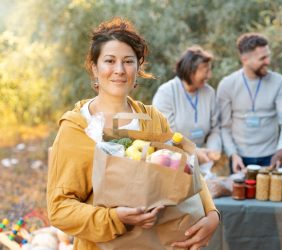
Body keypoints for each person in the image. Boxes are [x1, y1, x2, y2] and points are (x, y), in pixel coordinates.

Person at [47, 17, 219, 250]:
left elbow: (187, 171)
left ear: (138, 68)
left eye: (128, 61)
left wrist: (211, 214)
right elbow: (60, 209)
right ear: (95, 68)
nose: (119, 70)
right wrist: (115, 218)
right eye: (109, 61)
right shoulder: (77, 128)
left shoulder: (153, 120)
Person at [216, 33, 282, 173]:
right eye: (262, 58)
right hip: (239, 159)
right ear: (245, 59)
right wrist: (233, 155)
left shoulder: (279, 82)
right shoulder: (227, 85)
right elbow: (224, 127)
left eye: (268, 56)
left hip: (271, 157)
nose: (268, 61)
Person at [152, 46, 221, 164]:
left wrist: (212, 151)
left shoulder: (209, 93)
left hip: (203, 161)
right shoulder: (166, 93)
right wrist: (195, 152)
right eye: (205, 70)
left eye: (210, 70)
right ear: (190, 70)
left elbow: (215, 129)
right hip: (174, 160)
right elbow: (166, 135)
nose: (209, 75)